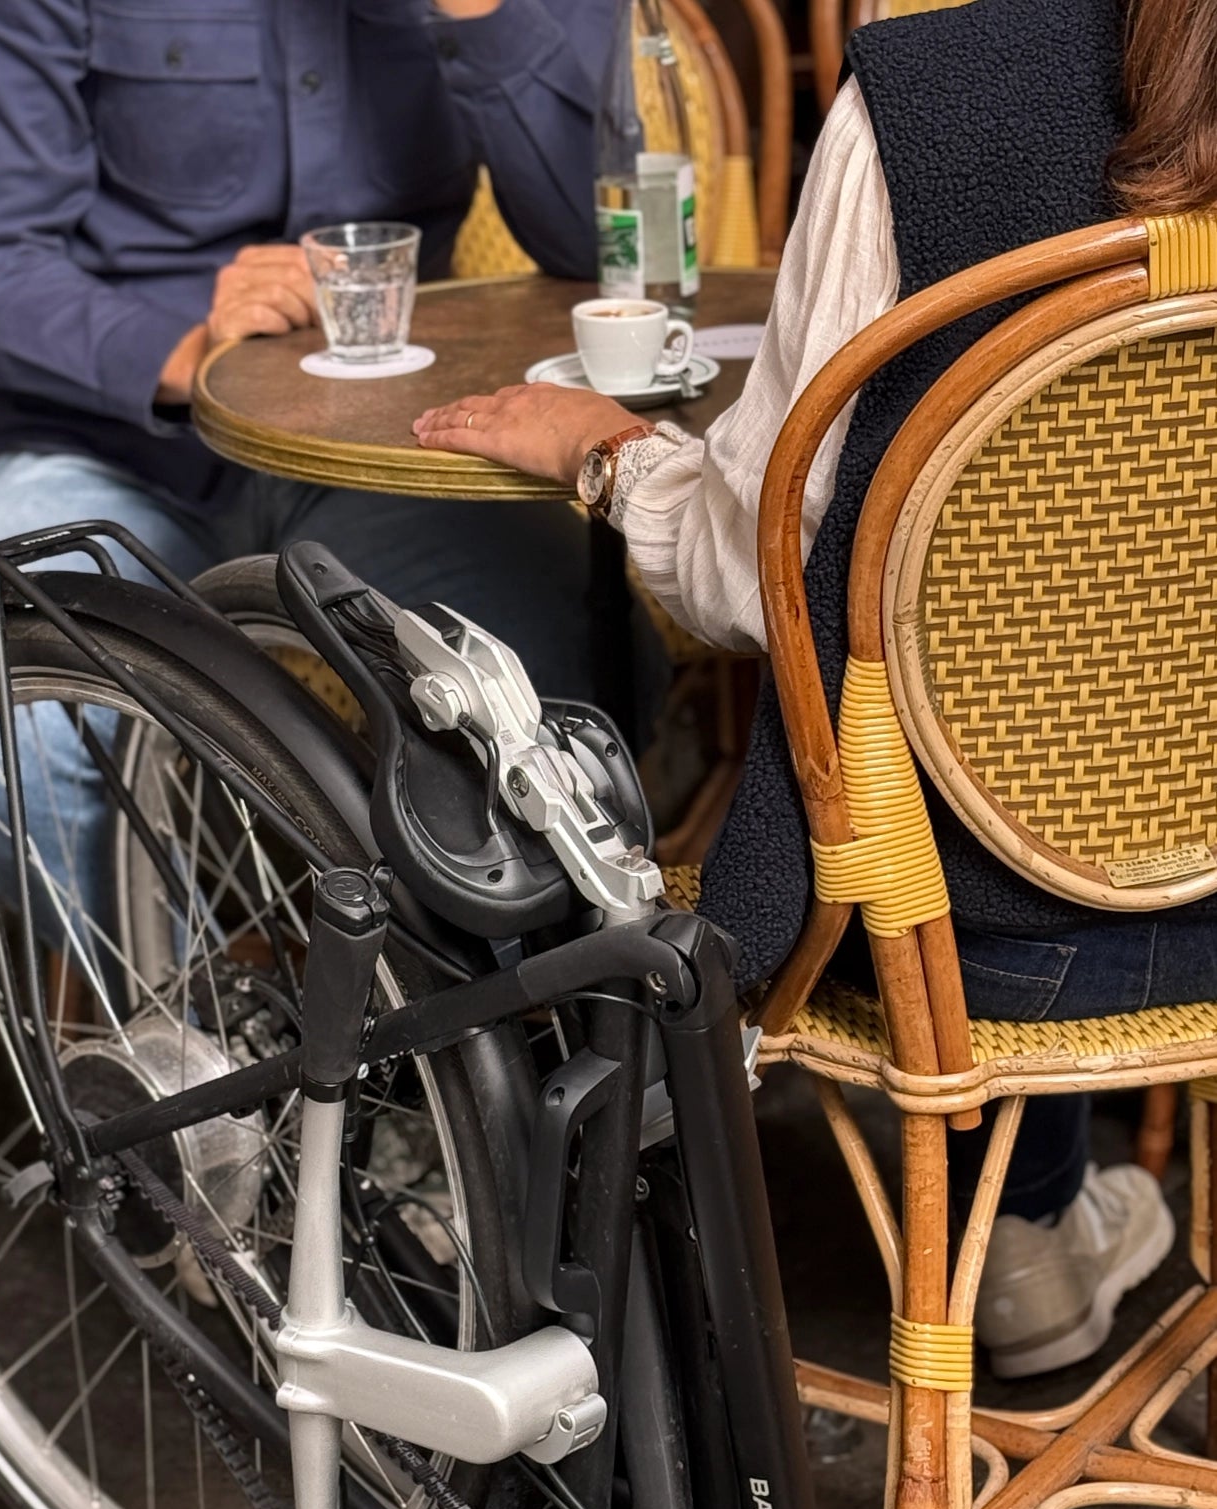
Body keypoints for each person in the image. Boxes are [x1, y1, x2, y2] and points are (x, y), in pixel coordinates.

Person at [415, 0, 1217, 1379]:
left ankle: (530, 1200)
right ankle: (1032, 1226)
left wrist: (609, 450)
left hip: (967, 938)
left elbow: (746, 582)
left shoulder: (926, 105)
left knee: (909, 706)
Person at [0, 0, 662, 967]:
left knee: (565, 663)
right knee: (1, 741)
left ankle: (473, 1054)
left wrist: (482, 13)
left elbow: (600, 240)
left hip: (378, 448)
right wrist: (188, 353)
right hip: (111, 442)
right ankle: (189, 1050)